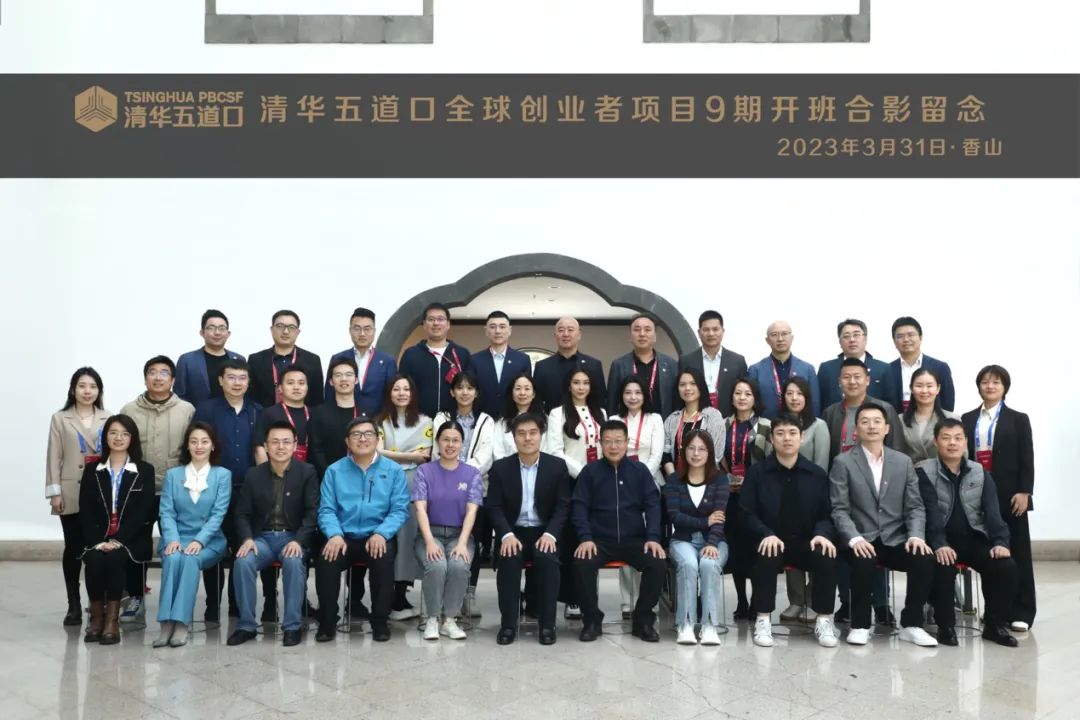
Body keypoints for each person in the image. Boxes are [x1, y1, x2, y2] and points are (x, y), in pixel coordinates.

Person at [829, 402, 937, 647]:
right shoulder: (843, 462)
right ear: (856, 429)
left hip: (895, 537)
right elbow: (839, 508)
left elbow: (915, 506)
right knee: (862, 559)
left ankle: (912, 624)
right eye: (865, 421)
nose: (872, 426)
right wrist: (854, 538)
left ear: (887, 428)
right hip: (861, 536)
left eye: (877, 421)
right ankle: (860, 624)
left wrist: (916, 536)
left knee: (923, 558)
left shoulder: (903, 462)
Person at [915, 418, 1018, 647]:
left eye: (957, 438)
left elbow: (992, 512)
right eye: (946, 438)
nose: (952, 443)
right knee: (943, 565)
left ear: (965, 442)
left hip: (973, 538)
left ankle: (994, 624)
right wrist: (939, 543)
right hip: (940, 539)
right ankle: (945, 626)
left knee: (1005, 566)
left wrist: (1000, 542)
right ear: (936, 441)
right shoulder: (924, 471)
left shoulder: (979, 472)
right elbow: (929, 512)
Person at [742, 415, 840, 648]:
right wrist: (765, 533)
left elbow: (826, 513)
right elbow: (746, 512)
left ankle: (824, 620)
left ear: (801, 437)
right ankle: (763, 619)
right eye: (780, 433)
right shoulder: (758, 473)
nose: (787, 438)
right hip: (771, 539)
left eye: (792, 433)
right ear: (772, 438)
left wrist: (822, 534)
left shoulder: (816, 474)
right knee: (766, 553)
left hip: (806, 540)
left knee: (826, 553)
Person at [315, 415, 410, 643]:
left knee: (383, 559)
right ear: (347, 441)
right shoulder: (334, 471)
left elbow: (399, 510)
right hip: (343, 536)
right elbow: (326, 509)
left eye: (368, 434)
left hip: (377, 534)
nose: (362, 439)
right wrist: (334, 534)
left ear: (377, 439)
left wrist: (382, 533)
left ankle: (379, 621)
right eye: (356, 435)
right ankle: (327, 621)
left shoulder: (394, 471)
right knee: (326, 559)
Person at [572, 420, 667, 642]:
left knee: (657, 563)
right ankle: (592, 620)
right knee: (581, 563)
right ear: (600, 443)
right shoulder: (590, 472)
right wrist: (585, 538)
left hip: (634, 540)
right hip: (599, 541)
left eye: (618, 441)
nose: (613, 446)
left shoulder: (639, 471)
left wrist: (653, 538)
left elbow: (653, 506)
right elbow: (579, 507)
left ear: (627, 443)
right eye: (608, 441)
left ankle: (642, 620)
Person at [227, 421, 320, 648]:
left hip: (292, 537)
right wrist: (247, 539)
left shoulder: (307, 472)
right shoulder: (254, 474)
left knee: (294, 562)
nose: (280, 446)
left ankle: (292, 626)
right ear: (266, 446)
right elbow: (242, 513)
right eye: (275, 442)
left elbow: (312, 513)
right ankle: (246, 626)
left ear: (295, 445)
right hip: (262, 539)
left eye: (286, 442)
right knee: (243, 562)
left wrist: (299, 541)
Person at [118, 355, 195, 622]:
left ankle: (175, 600)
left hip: (174, 490)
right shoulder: (129, 410)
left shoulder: (186, 410)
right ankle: (135, 596)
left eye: (164, 373)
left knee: (175, 544)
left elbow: (193, 449)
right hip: (137, 490)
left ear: (173, 379)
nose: (158, 377)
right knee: (136, 543)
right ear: (145, 378)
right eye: (152, 372)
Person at [961, 365, 1035, 632]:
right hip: (978, 494)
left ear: (1005, 387)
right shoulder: (968, 418)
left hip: (1011, 495)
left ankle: (1022, 611)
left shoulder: (1018, 419)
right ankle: (996, 611)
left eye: (996, 382)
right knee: (989, 555)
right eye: (985, 382)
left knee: (1018, 554)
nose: (990, 386)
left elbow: (1027, 457)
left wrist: (1025, 491)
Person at [486, 413, 570, 645]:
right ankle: (508, 625)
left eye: (533, 433)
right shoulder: (501, 468)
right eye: (521, 434)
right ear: (513, 438)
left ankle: (548, 625)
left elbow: (563, 506)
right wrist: (506, 535)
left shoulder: (556, 467)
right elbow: (494, 507)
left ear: (541, 435)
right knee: (509, 559)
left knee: (547, 560)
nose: (528, 438)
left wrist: (550, 534)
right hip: (514, 531)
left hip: (544, 531)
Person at [193, 359, 266, 622]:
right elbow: (197, 447)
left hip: (247, 491)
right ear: (221, 381)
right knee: (214, 544)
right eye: (231, 378)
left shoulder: (257, 411)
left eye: (242, 378)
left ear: (248, 382)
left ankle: (237, 604)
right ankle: (212, 604)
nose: (237, 383)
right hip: (213, 489)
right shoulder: (206, 409)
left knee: (241, 546)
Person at [78, 415, 156, 645]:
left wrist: (118, 540)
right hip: (98, 536)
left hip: (131, 538)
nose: (118, 438)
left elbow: (143, 513)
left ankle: (112, 620)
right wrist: (98, 541)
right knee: (94, 558)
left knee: (114, 558)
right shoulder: (93, 470)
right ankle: (97, 618)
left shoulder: (144, 470)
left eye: (124, 434)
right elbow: (85, 511)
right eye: (113, 433)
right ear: (105, 437)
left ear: (132, 438)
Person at [154, 422, 231, 648]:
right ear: (187, 445)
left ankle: (181, 623)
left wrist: (199, 540)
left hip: (209, 541)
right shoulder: (173, 475)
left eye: (205, 441)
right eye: (194, 441)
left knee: (190, 559)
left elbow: (218, 514)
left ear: (213, 446)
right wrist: (172, 539)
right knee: (173, 557)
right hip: (176, 538)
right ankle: (166, 623)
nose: (199, 446)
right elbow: (166, 512)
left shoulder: (222, 475)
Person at [47, 367, 110, 626]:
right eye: (82, 386)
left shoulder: (108, 417)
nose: (87, 391)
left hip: (100, 492)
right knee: (73, 548)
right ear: (73, 389)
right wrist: (54, 492)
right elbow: (54, 456)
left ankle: (98, 602)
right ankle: (73, 603)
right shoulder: (61, 418)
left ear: (99, 390)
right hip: (71, 490)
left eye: (93, 386)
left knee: (99, 548)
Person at [413, 421, 484, 641]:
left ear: (462, 444)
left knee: (459, 565)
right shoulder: (424, 471)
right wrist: (429, 541)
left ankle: (449, 619)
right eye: (445, 439)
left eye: (455, 440)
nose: (450, 445)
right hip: (430, 534)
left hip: (459, 535)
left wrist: (462, 543)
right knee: (436, 565)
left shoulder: (472, 474)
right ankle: (433, 619)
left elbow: (472, 511)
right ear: (437, 442)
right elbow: (420, 508)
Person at [432, 371, 495, 619]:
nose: (465, 392)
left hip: (477, 488)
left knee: (472, 541)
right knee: (447, 538)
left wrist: (464, 476)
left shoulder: (486, 420)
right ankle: (448, 595)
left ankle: (469, 593)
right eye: (460, 387)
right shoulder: (441, 418)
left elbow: (486, 456)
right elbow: (438, 450)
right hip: (444, 489)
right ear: (452, 391)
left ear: (476, 392)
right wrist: (454, 476)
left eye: (470, 388)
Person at [546, 368, 607, 620]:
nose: (581, 387)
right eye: (576, 382)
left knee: (593, 538)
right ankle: (572, 597)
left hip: (598, 484)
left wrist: (597, 474)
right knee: (572, 539)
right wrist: (583, 472)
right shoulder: (557, 413)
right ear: (568, 385)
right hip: (570, 482)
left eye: (586, 382)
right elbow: (554, 450)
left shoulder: (600, 413)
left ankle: (589, 597)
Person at [663, 430, 729, 646]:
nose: (696, 453)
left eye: (702, 449)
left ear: (710, 453)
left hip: (715, 540)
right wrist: (705, 521)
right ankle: (686, 624)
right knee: (689, 564)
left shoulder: (720, 479)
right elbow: (675, 517)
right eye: (691, 448)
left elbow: (719, 517)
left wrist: (712, 542)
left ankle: (709, 625)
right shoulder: (674, 480)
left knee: (709, 564)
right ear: (683, 452)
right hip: (682, 540)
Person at [376, 375, 434, 620]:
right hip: (385, 483)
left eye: (406, 389)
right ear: (389, 393)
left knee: (409, 536)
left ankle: (401, 594)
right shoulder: (380, 421)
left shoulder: (425, 421)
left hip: (414, 484)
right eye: (396, 389)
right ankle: (386, 596)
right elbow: (377, 453)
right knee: (388, 535)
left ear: (413, 393)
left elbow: (425, 455)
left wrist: (392, 454)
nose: (401, 393)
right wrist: (409, 456)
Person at [611, 376, 665, 618]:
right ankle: (627, 601)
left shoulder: (655, 419)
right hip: (618, 482)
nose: (632, 397)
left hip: (647, 482)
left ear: (645, 395)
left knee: (646, 543)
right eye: (627, 392)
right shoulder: (614, 419)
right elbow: (609, 450)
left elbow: (656, 454)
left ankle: (649, 601)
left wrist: (640, 477)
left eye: (637, 392)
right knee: (625, 538)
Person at [777, 376, 830, 621]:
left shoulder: (819, 426)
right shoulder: (776, 424)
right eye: (789, 393)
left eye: (799, 393)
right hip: (784, 497)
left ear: (807, 398)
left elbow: (821, 464)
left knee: (815, 547)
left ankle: (812, 600)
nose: (794, 398)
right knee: (791, 548)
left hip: (812, 497)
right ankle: (796, 601)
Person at [720, 377, 773, 619]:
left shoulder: (766, 426)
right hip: (729, 497)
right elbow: (715, 458)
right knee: (736, 549)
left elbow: (770, 462)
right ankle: (741, 601)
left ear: (755, 398)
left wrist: (749, 481)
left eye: (747, 393)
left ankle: (755, 601)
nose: (742, 397)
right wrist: (726, 479)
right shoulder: (723, 424)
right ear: (731, 397)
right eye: (738, 393)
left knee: (754, 550)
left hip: (755, 497)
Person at [822, 358, 907, 461]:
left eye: (857, 377)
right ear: (839, 382)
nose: (852, 382)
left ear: (867, 380)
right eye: (846, 377)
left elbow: (897, 447)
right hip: (840, 469)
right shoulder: (830, 413)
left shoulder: (885, 409)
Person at [398, 302, 472, 418]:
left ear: (448, 324)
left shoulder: (462, 354)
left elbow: (470, 388)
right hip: (418, 420)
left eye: (440, 319)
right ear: (424, 324)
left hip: (453, 421)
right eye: (431, 319)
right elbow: (402, 388)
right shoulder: (411, 354)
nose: (436, 323)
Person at [322, 307, 397, 416]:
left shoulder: (387, 361)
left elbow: (391, 395)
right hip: (344, 419)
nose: (362, 334)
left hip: (377, 421)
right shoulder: (338, 358)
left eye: (367, 329)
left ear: (374, 331)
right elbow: (329, 393)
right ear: (350, 331)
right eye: (357, 328)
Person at [606, 313, 678, 420]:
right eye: (637, 329)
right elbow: (612, 403)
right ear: (630, 336)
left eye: (647, 329)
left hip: (663, 425)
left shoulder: (670, 364)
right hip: (629, 426)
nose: (642, 334)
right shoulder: (619, 365)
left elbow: (676, 402)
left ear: (655, 336)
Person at [248, 309, 324, 409]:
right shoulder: (256, 360)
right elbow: (250, 396)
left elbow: (317, 398)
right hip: (264, 416)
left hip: (303, 417)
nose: (285, 331)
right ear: (272, 329)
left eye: (291, 327)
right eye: (280, 326)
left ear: (298, 332)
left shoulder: (312, 360)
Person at [677, 310, 748, 417]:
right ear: (699, 332)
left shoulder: (737, 361)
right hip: (696, 418)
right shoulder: (686, 360)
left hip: (729, 420)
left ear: (722, 331)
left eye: (715, 329)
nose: (711, 334)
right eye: (706, 329)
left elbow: (744, 392)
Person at [532, 316, 607, 413]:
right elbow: (536, 402)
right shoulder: (542, 367)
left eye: (570, 330)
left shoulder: (594, 365)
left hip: (586, 420)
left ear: (579, 335)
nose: (566, 334)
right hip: (551, 420)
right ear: (555, 335)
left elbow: (600, 400)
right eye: (561, 330)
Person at [746, 321, 820, 418]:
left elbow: (815, 403)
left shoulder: (807, 369)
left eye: (784, 334)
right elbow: (750, 405)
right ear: (767, 340)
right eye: (774, 335)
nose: (780, 339)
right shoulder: (755, 370)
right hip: (766, 425)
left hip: (801, 425)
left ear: (792, 338)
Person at [661, 369, 725, 478]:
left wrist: (695, 480)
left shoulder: (713, 416)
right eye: (682, 384)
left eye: (693, 383)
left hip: (706, 479)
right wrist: (674, 479)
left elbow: (716, 455)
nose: (687, 388)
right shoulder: (672, 419)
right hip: (676, 480)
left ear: (701, 386)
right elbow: (665, 453)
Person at [816, 319, 893, 410]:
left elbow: (891, 403)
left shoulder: (883, 369)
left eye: (856, 335)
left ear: (865, 339)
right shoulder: (826, 369)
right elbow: (819, 402)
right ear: (840, 342)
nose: (852, 340)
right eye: (846, 336)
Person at [174, 309, 246, 405]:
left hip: (233, 413)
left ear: (228, 334)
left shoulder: (239, 359)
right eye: (211, 328)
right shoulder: (187, 360)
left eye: (222, 328)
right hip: (197, 413)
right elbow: (179, 395)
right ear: (202, 333)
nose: (217, 332)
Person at [470, 311, 532, 419]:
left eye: (502, 327)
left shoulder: (522, 360)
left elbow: (526, 391)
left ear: (509, 330)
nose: (497, 331)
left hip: (513, 418)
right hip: (482, 418)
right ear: (486, 331)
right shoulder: (474, 360)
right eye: (492, 327)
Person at [886, 316, 956, 412]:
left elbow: (948, 403)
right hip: (897, 420)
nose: (906, 339)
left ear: (920, 337)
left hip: (934, 420)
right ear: (894, 341)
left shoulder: (940, 367)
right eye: (900, 336)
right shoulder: (887, 369)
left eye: (910, 335)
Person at [311, 357, 362, 478]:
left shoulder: (365, 413)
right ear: (331, 381)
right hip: (328, 476)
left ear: (356, 380)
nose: (343, 379)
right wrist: (330, 475)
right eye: (338, 375)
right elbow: (316, 450)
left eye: (348, 374)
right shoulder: (319, 413)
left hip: (361, 475)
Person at [900, 368, 960, 465]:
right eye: (919, 386)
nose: (924, 391)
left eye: (929, 386)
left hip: (942, 472)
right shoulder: (899, 420)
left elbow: (961, 454)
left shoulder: (952, 418)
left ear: (938, 388)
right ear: (911, 388)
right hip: (908, 473)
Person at [256, 365, 313, 464]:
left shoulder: (314, 414)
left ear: (307, 387)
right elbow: (259, 448)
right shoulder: (269, 413)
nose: (296, 387)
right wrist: (264, 472)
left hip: (309, 470)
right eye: (290, 383)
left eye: (301, 383)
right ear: (280, 388)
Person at [493, 374, 545, 461]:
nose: (522, 393)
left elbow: (548, 450)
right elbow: (497, 452)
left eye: (527, 389)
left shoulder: (545, 421)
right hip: (507, 468)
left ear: (533, 394)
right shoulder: (501, 423)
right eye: (518, 389)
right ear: (512, 394)